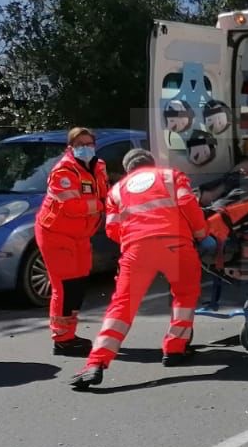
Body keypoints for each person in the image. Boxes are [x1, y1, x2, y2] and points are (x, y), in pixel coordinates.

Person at [70, 149, 206, 389]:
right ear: (152, 164)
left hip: (137, 249)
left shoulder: (117, 190)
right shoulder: (170, 176)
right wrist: (201, 234)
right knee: (184, 296)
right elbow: (187, 204)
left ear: (128, 170)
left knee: (122, 306)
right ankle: (175, 349)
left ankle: (96, 363)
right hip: (176, 244)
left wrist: (137, 238)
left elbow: (112, 230)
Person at [34, 128, 109, 356]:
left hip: (80, 235)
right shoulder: (63, 172)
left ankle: (70, 334)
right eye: (80, 143)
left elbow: (104, 192)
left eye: (89, 143)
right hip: (56, 234)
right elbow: (71, 207)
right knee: (64, 287)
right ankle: (62, 339)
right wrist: (101, 205)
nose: (85, 147)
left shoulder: (99, 166)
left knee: (78, 286)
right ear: (70, 147)